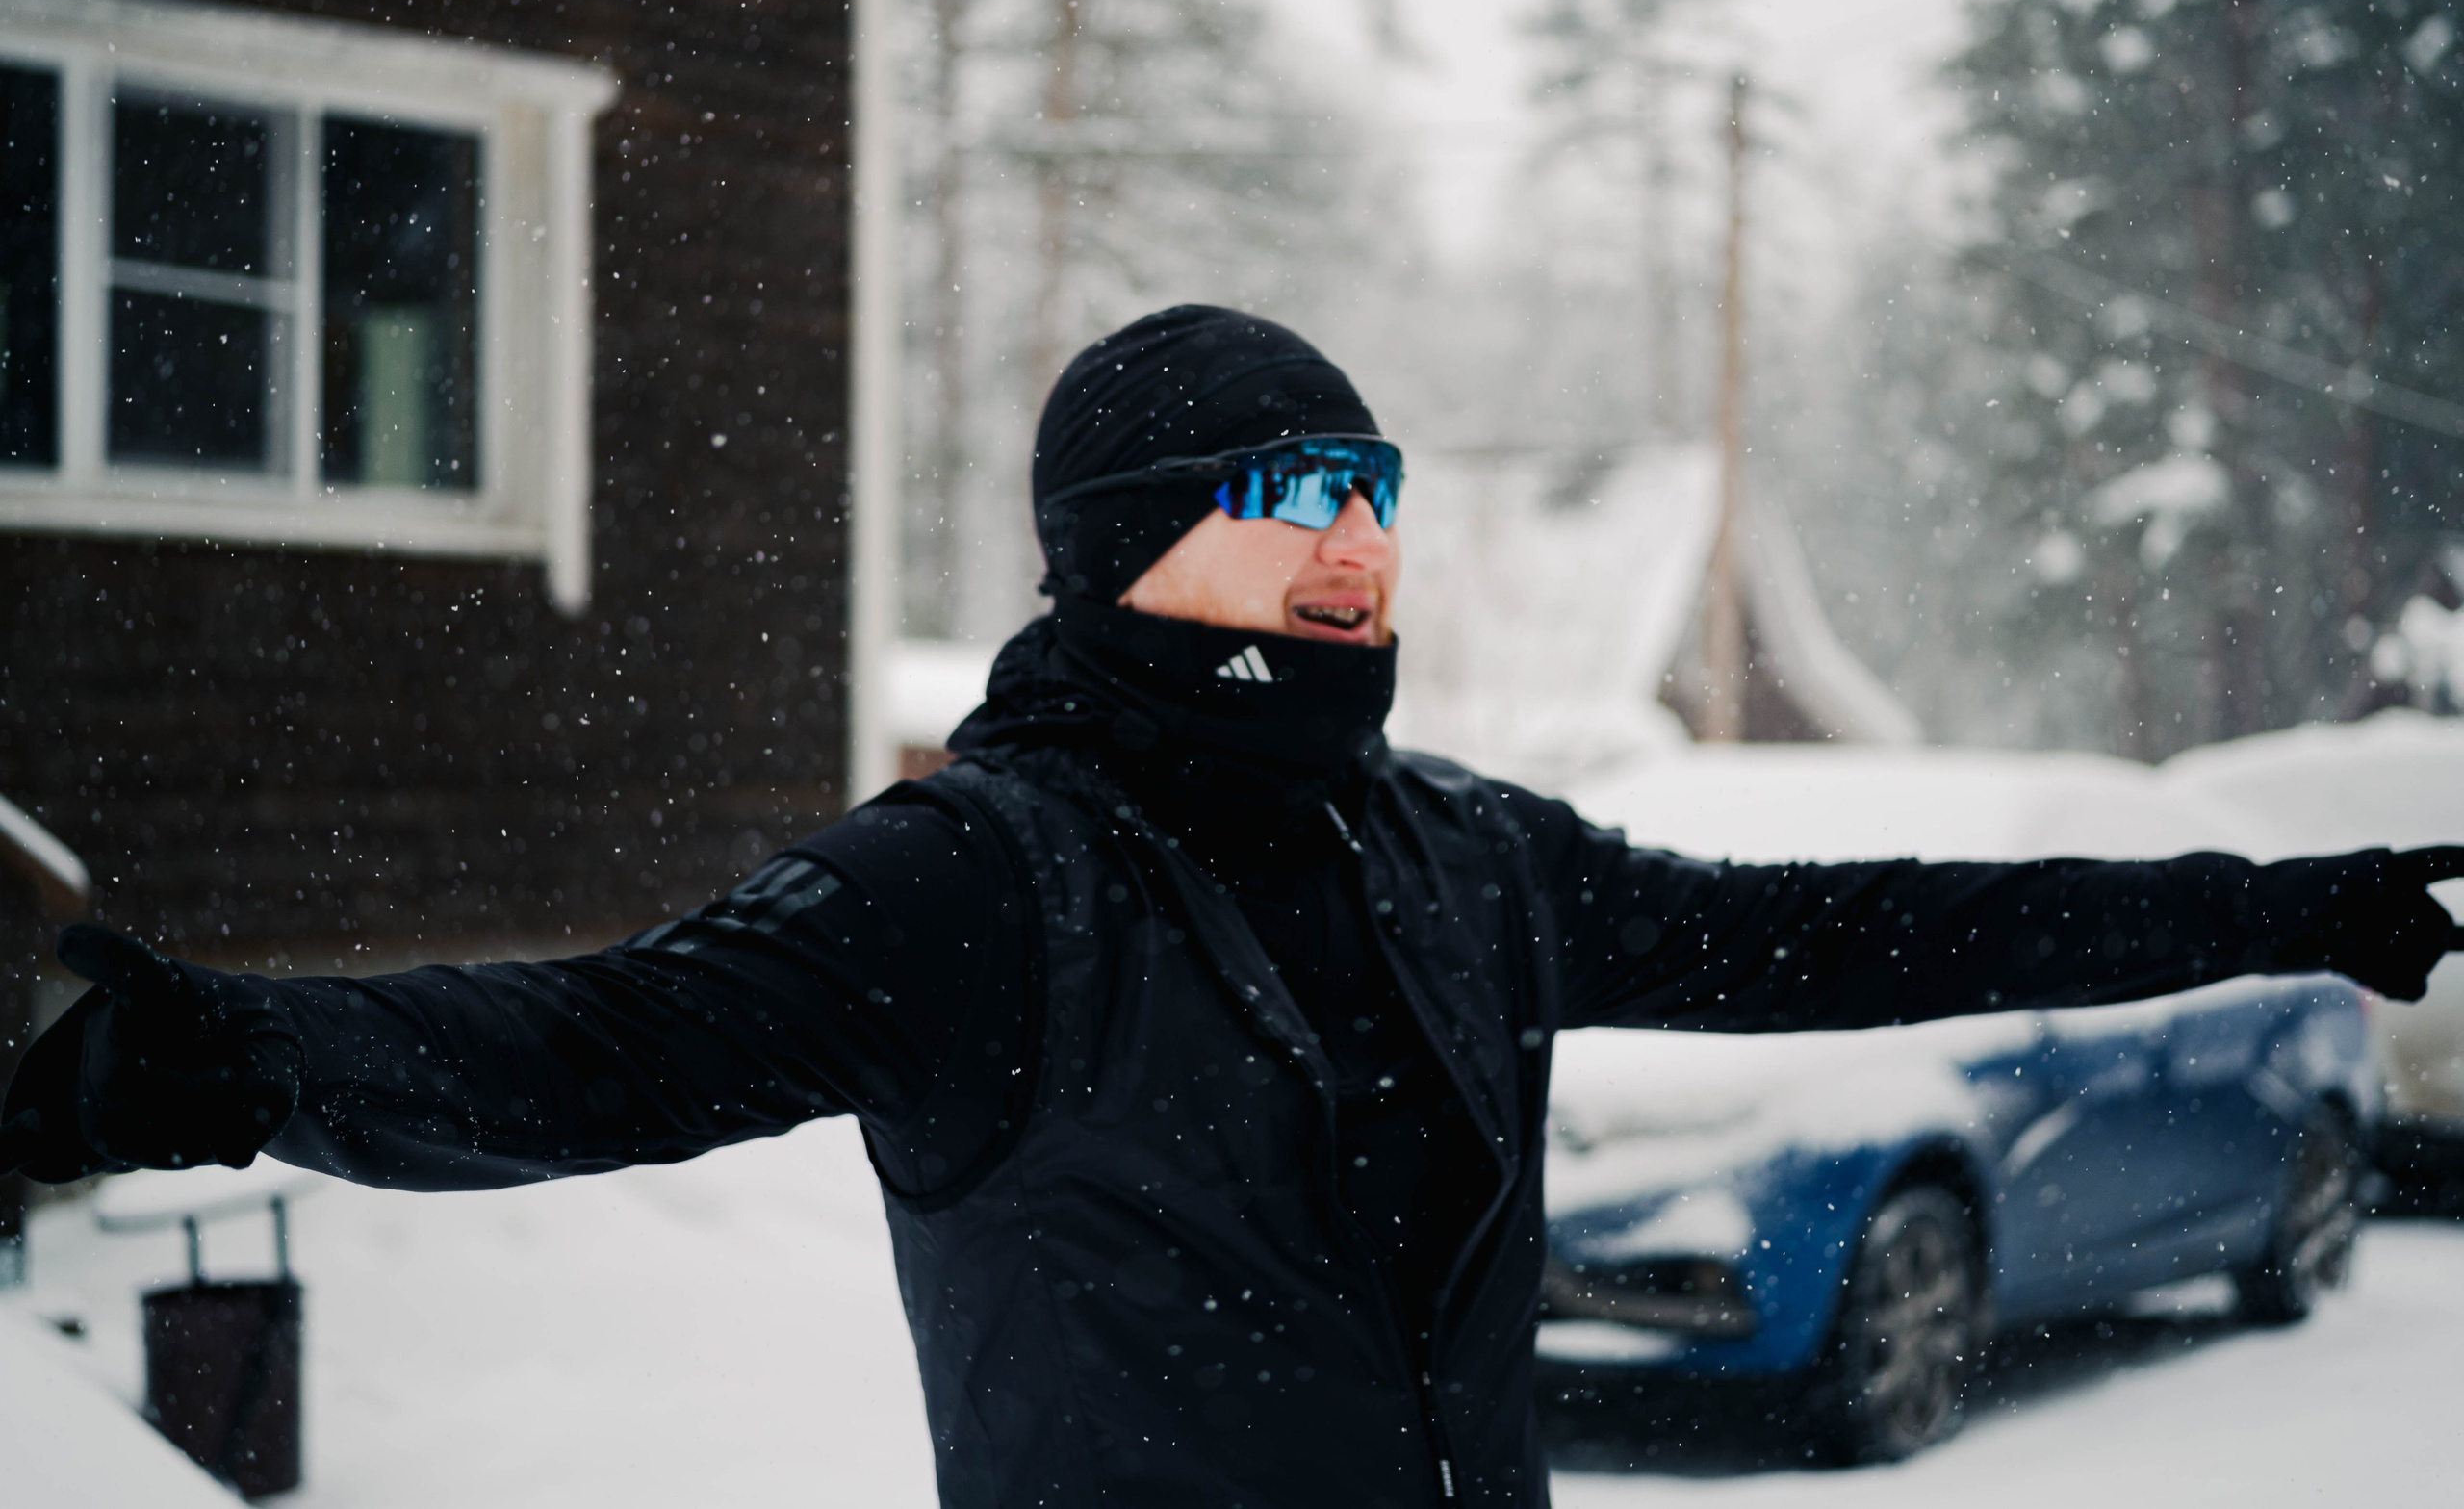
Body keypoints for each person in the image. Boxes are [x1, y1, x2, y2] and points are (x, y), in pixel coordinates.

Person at [4, 304, 2458, 1507]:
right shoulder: (980, 876)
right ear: (1122, 545)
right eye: (1297, 487)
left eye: (1374, 481)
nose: (1365, 535)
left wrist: (2274, 890)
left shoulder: (1462, 850)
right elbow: (603, 1045)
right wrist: (221, 1050)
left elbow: (1858, 928)